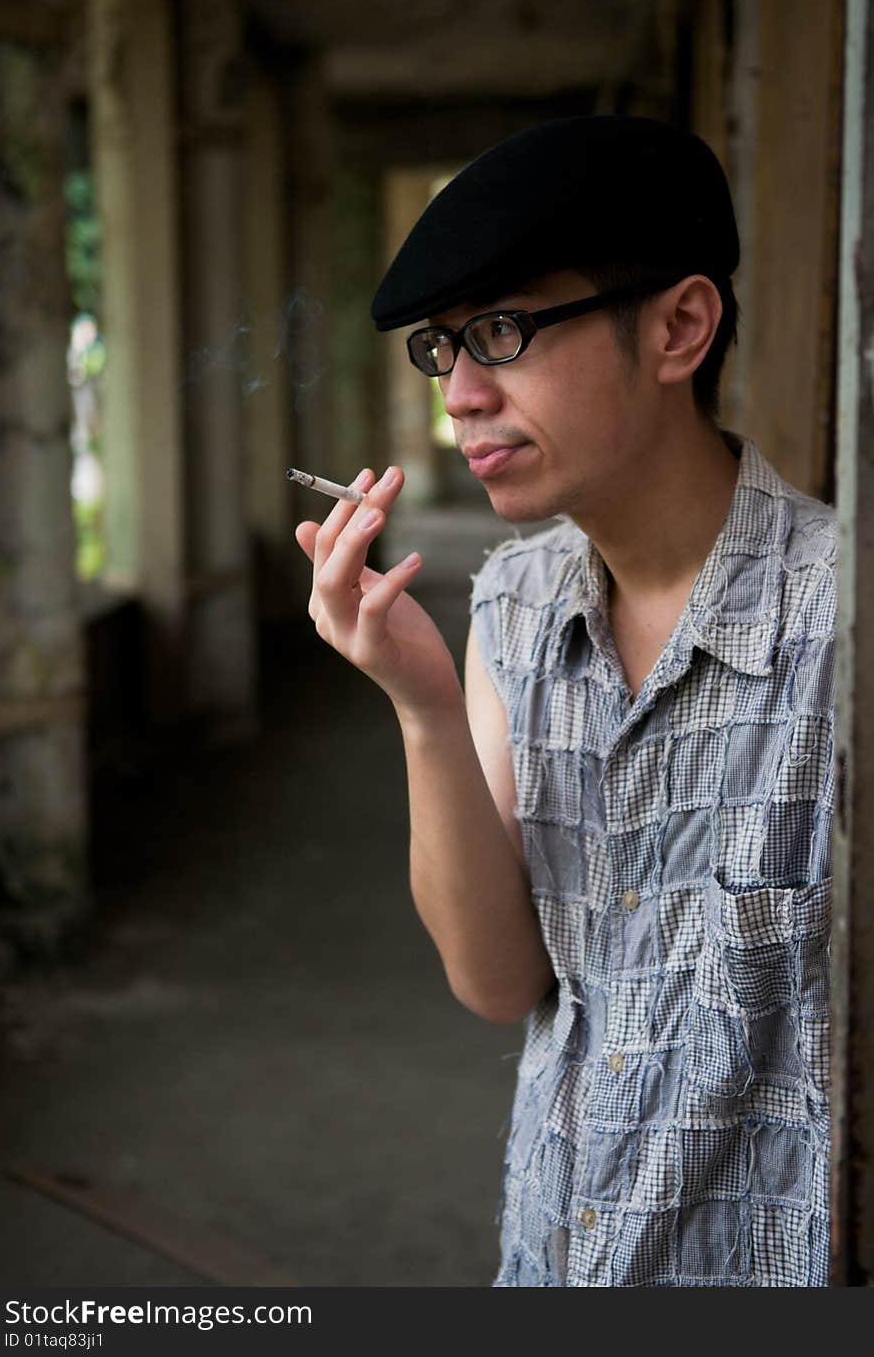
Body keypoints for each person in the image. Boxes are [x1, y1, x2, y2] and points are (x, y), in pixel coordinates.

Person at [294, 116, 835, 1287]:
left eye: (502, 331)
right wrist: (423, 707)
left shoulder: (842, 624)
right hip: (555, 1257)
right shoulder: (515, 602)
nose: (465, 396)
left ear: (678, 328)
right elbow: (499, 984)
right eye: (445, 350)